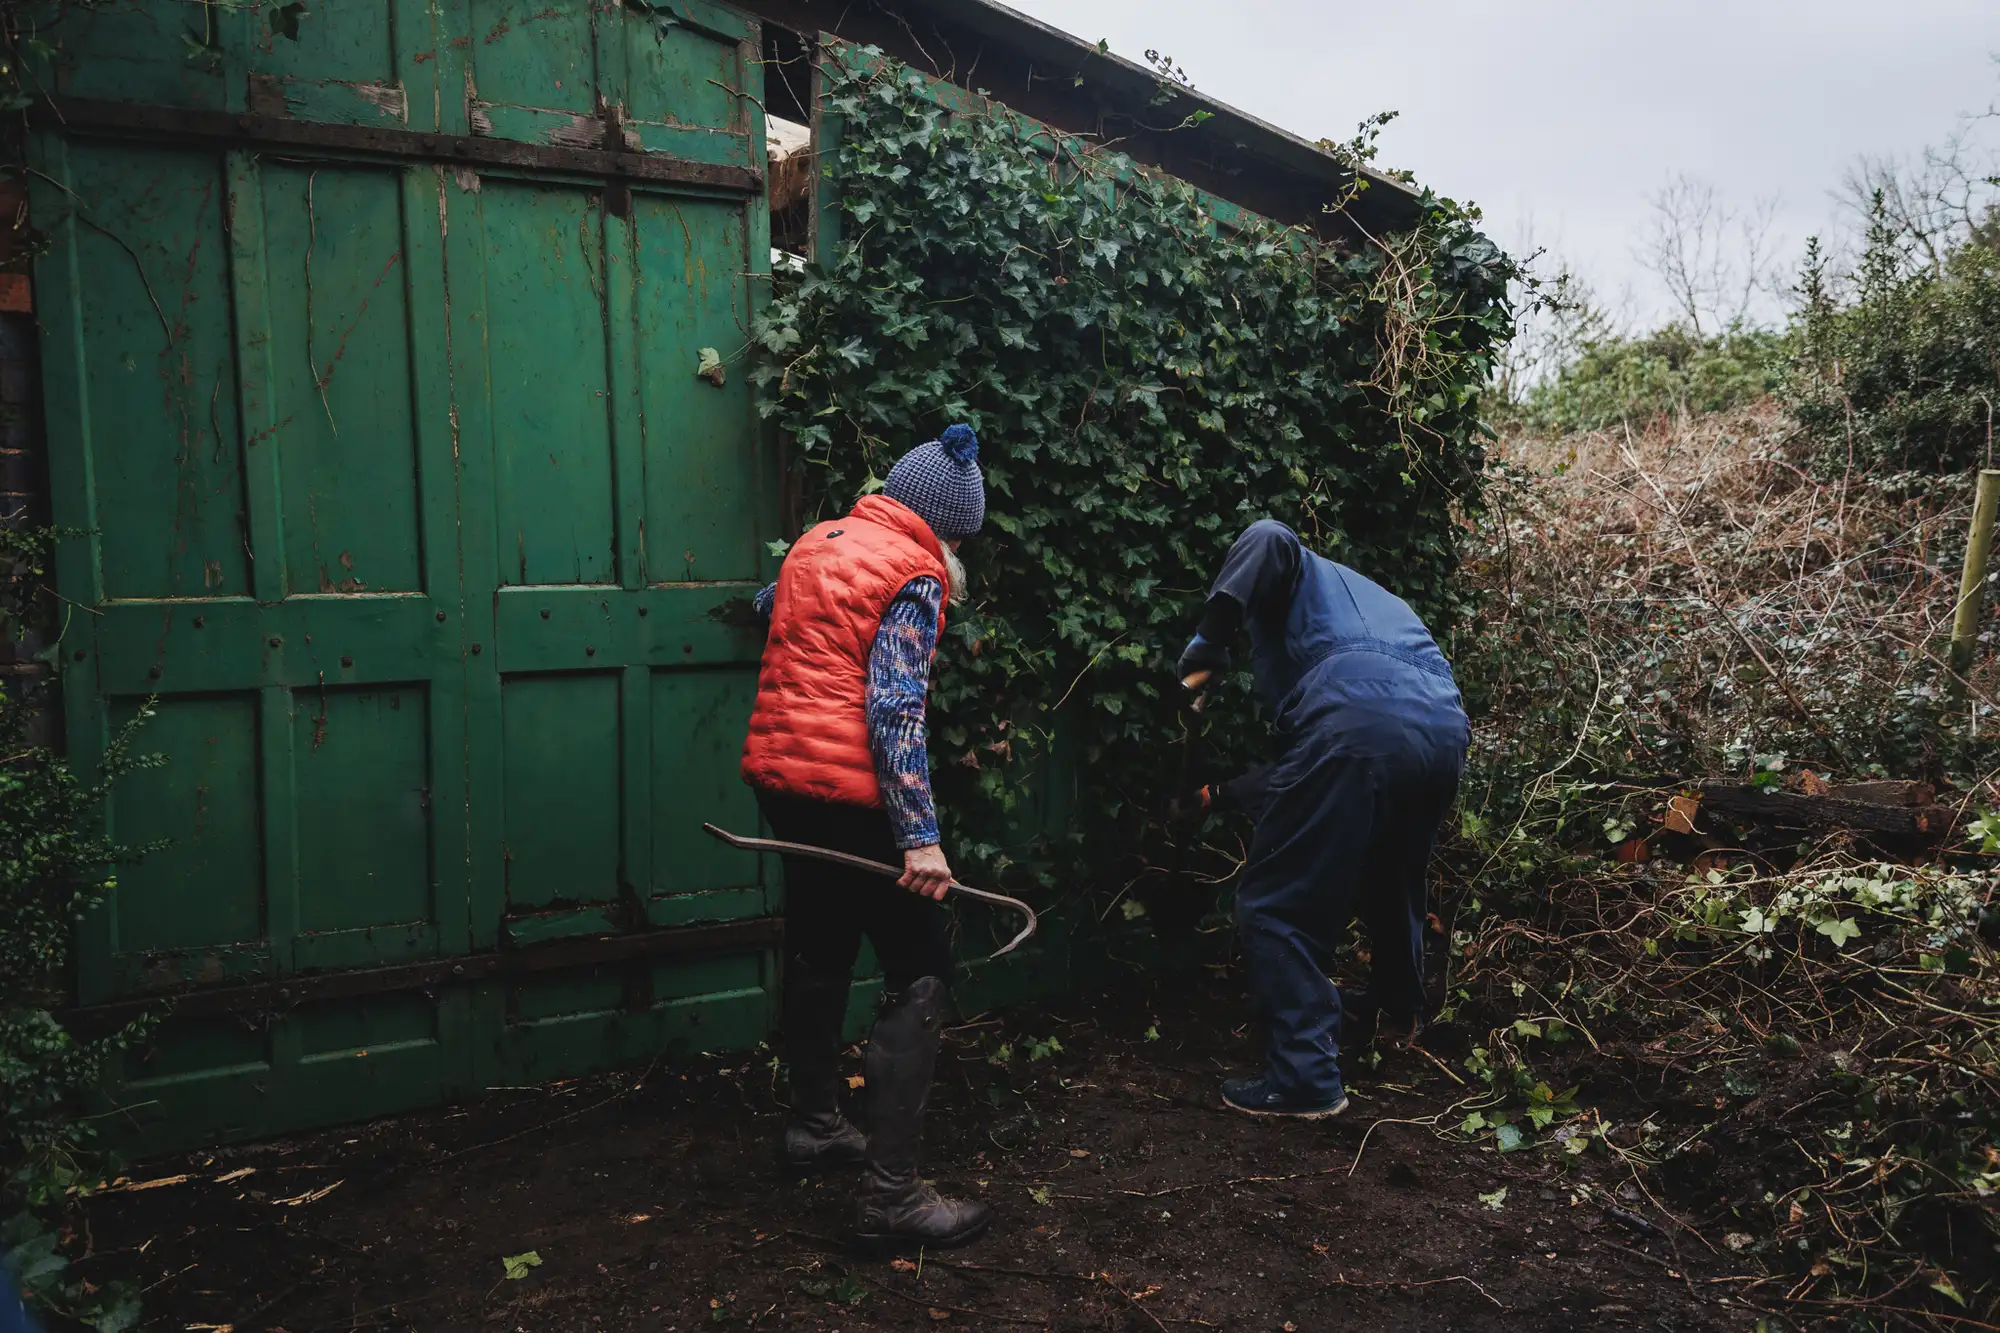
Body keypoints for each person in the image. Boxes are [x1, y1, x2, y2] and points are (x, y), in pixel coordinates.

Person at [741, 423, 992, 1250]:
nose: (958, 551)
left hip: (781, 779)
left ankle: (814, 1124)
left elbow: (768, 609)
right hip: (853, 792)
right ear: (941, 525)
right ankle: (892, 1199)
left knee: (820, 938)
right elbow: (892, 707)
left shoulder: (818, 542)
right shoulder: (915, 571)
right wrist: (918, 836)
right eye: (960, 535)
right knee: (922, 965)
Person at [1176, 519, 1469, 1119]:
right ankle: (1397, 1014)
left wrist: (1210, 638)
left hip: (1357, 725)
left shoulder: (1292, 564)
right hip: (1441, 726)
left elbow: (1267, 534)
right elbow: (1318, 765)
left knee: (1275, 905)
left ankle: (1306, 1077)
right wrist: (1213, 797)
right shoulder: (1363, 603)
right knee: (1393, 876)